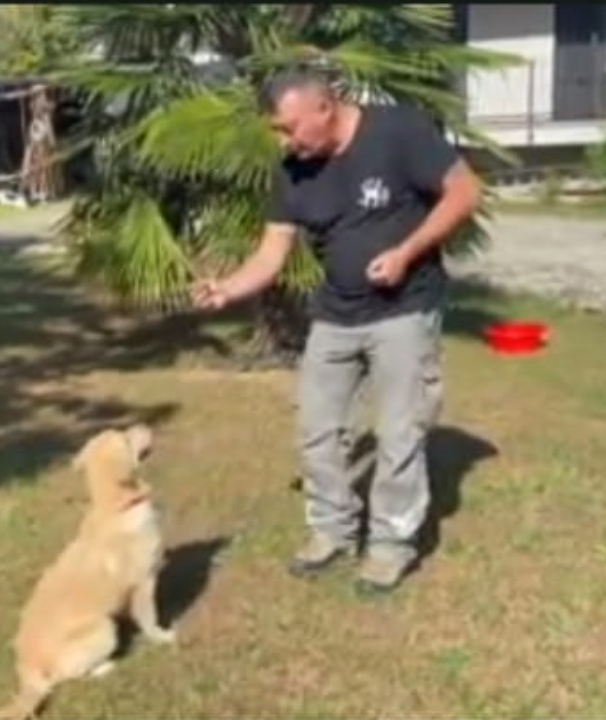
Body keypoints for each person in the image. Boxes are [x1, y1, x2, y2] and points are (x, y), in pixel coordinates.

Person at [192, 69, 482, 595]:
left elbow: (464, 192)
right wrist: (228, 289)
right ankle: (331, 530)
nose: (283, 141)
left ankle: (391, 546)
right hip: (335, 315)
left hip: (405, 310)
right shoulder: (293, 171)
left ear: (325, 108)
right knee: (318, 429)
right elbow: (270, 253)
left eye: (288, 127)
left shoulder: (399, 131)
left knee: (398, 433)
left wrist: (406, 253)